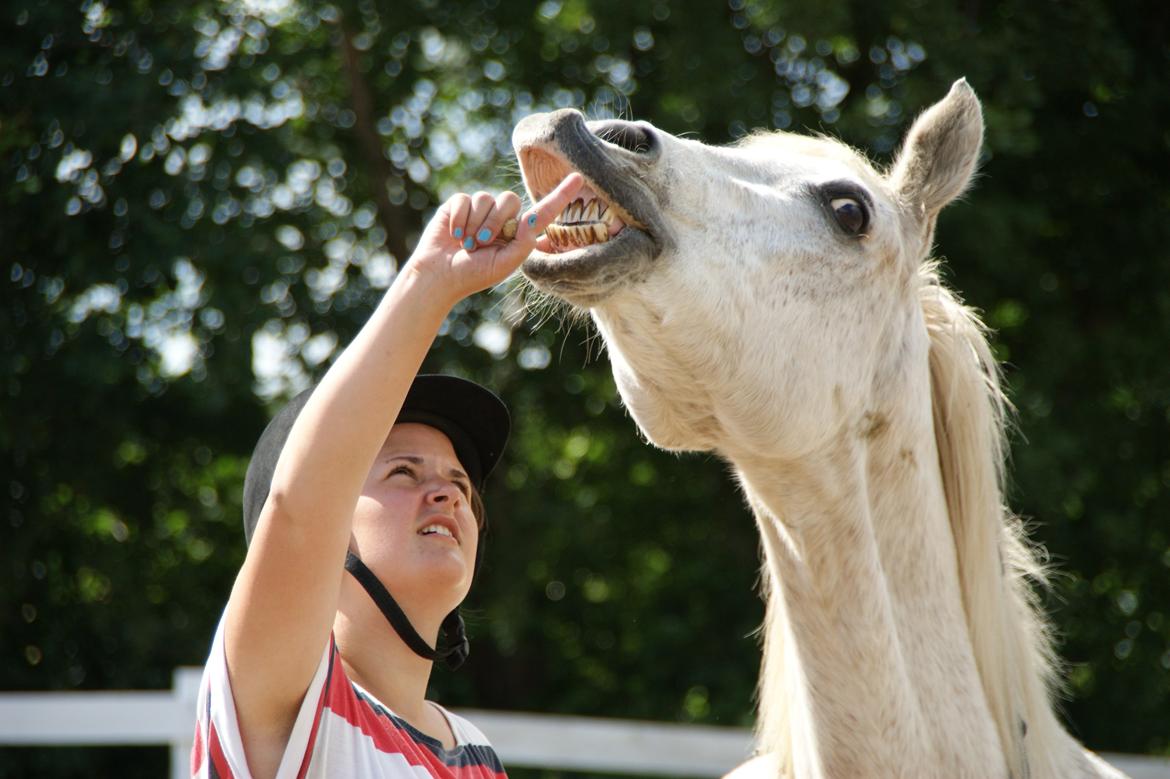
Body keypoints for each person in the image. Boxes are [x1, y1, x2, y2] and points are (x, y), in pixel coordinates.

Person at [191, 172, 585, 779]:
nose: (448, 493)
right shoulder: (284, 705)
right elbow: (300, 507)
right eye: (403, 471)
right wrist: (430, 284)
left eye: (460, 483)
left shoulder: (477, 755)